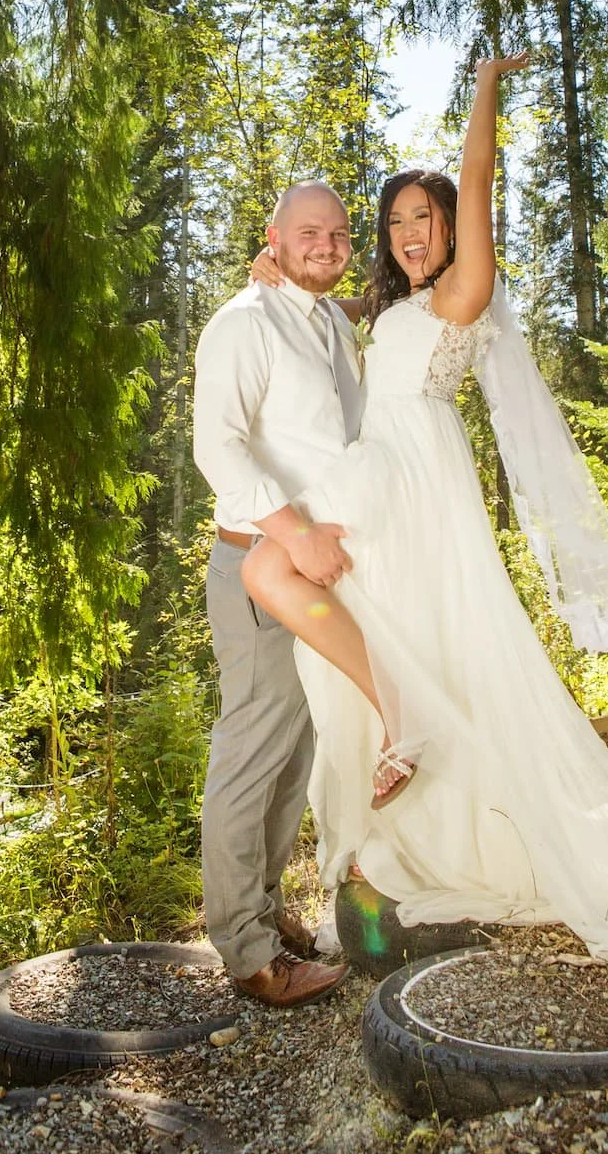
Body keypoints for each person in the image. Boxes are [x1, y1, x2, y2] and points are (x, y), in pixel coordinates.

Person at [244, 54, 608, 981]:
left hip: (403, 475)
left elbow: (477, 181)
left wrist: (484, 89)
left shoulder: (461, 294)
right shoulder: (391, 306)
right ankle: (404, 818)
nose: (408, 232)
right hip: (388, 477)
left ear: (449, 229)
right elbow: (333, 309)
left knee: (273, 570)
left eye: (424, 217)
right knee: (394, 636)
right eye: (395, 219)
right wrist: (277, 267)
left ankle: (404, 729)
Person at [192, 182, 361, 1006]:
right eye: (306, 233)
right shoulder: (241, 323)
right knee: (251, 756)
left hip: (316, 574)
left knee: (293, 756)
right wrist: (295, 533)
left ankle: (261, 912)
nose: (324, 244)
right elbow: (216, 448)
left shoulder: (327, 319)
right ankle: (245, 952)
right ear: (273, 237)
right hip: (261, 565)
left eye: (336, 232)